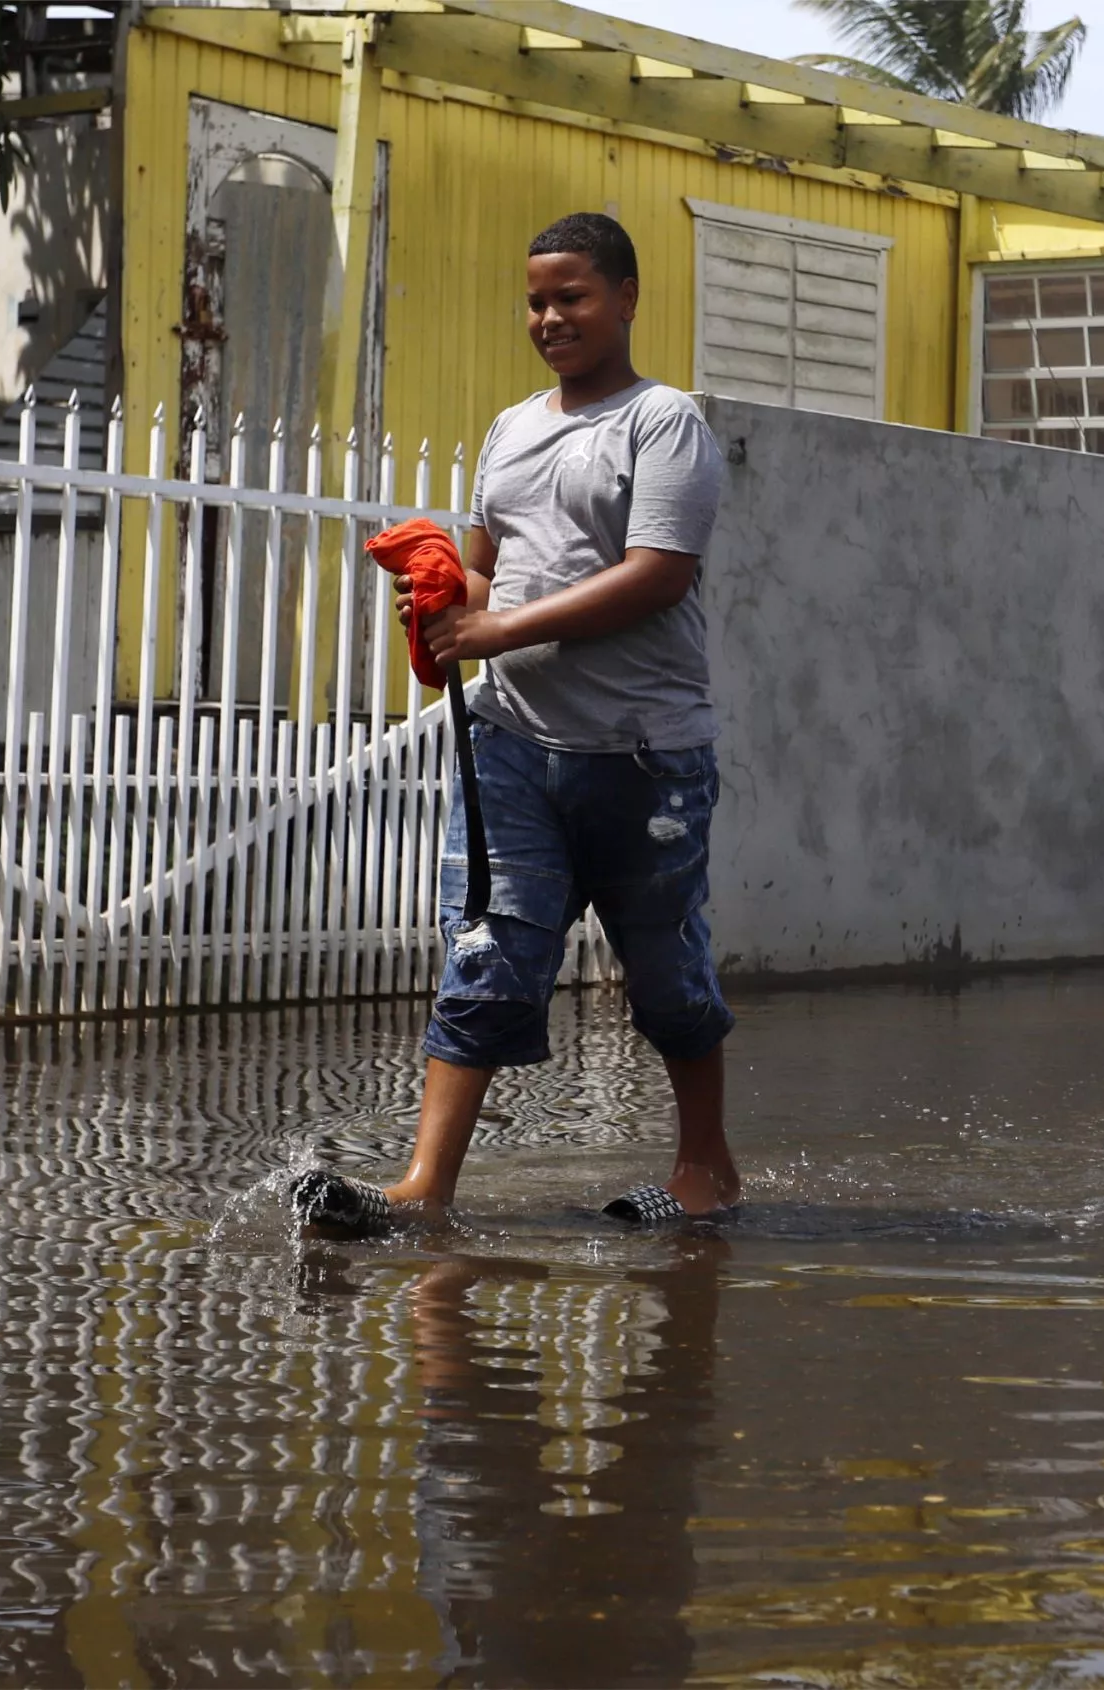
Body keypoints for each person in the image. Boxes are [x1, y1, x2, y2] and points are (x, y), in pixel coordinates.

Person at [294, 211, 738, 1234]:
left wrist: (492, 627)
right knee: (488, 957)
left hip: (644, 754)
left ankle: (706, 1171)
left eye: (572, 295)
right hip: (509, 747)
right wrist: (449, 601)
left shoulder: (662, 422)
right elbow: (495, 563)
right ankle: (421, 1188)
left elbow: (657, 576)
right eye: (536, 299)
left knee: (667, 971)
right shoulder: (510, 428)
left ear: (627, 296)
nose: (549, 316)